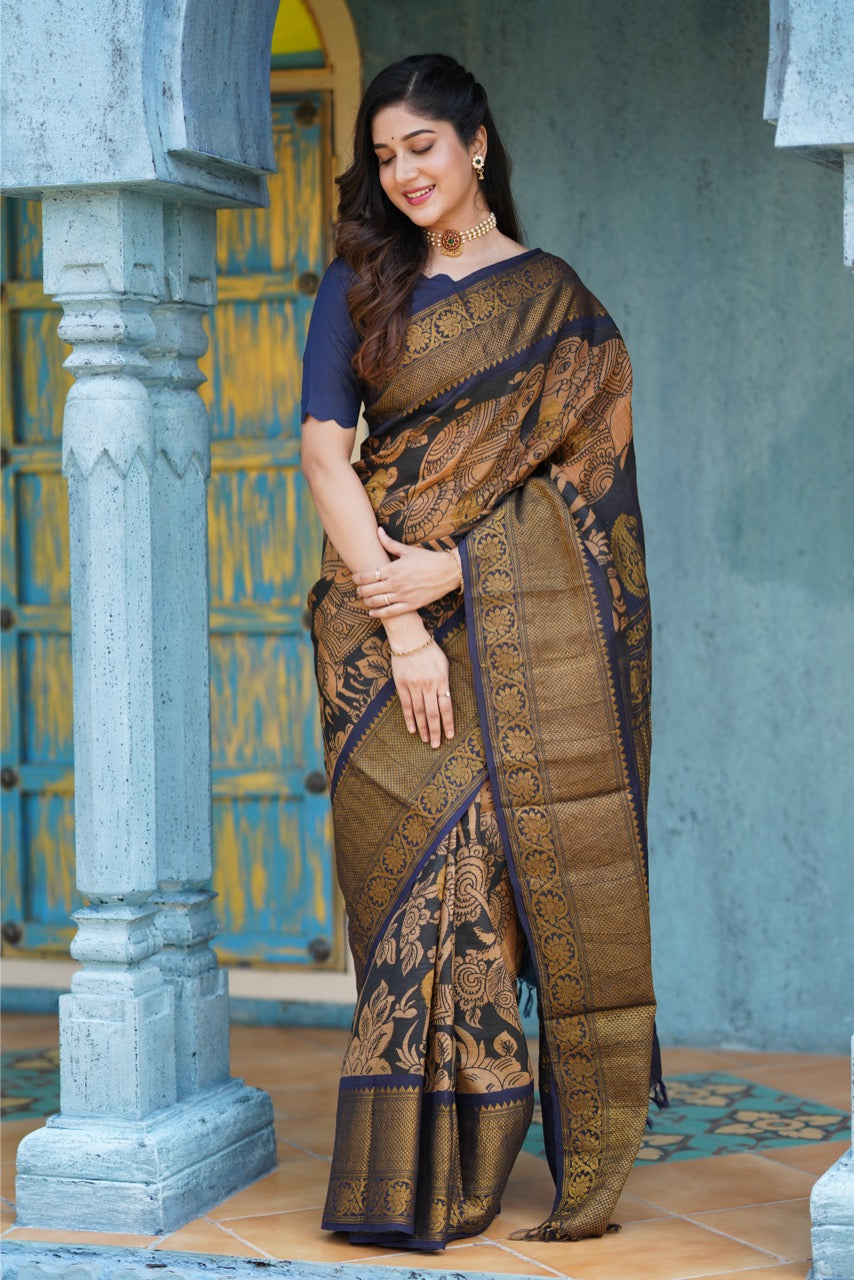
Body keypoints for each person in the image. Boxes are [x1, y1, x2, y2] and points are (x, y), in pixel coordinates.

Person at [300, 52, 664, 1251]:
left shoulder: (555, 303)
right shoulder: (356, 286)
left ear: (475, 145)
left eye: (422, 147)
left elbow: (589, 495)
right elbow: (323, 455)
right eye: (385, 154)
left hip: (502, 616)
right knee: (401, 880)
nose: (403, 172)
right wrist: (401, 618)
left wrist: (460, 569)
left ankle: (468, 1154)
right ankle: (410, 1164)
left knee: (490, 880)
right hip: (373, 630)